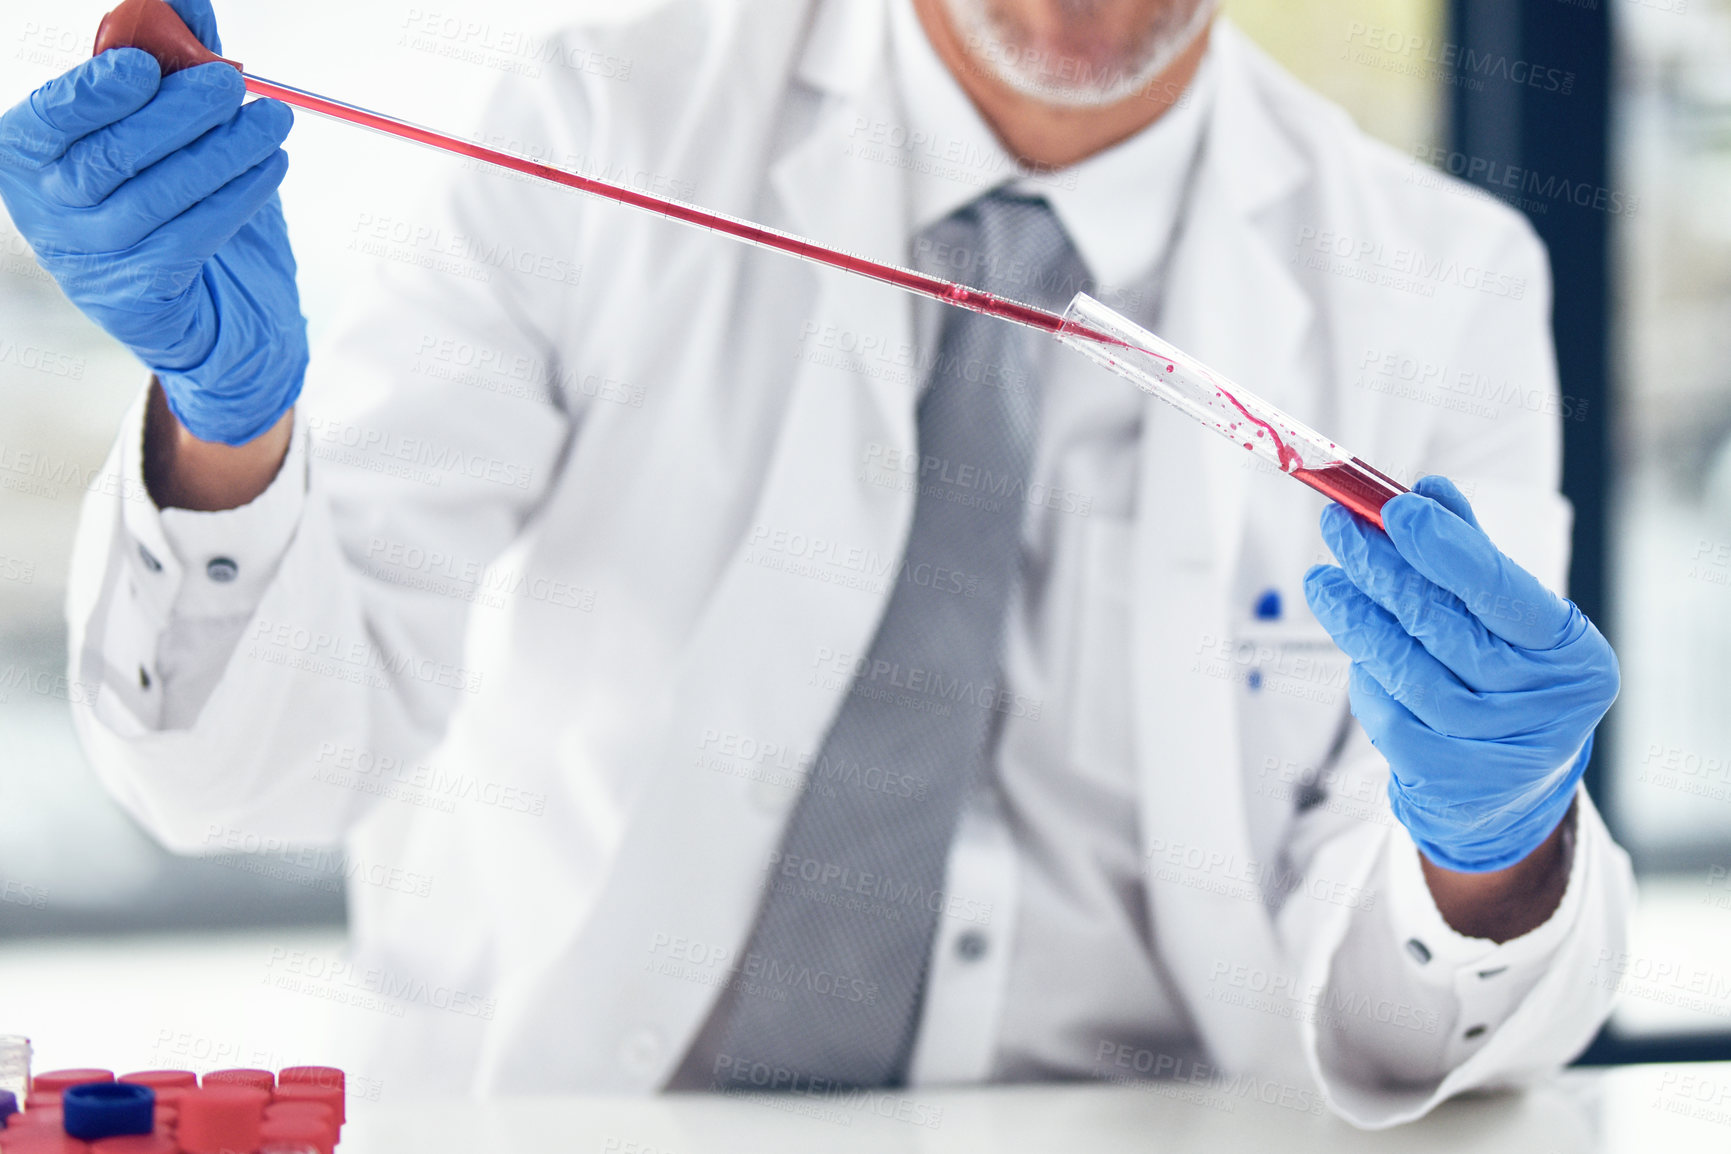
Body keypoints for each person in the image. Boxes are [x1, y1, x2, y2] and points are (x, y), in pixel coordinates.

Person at [0, 0, 1630, 1128]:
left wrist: (1492, 848)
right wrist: (230, 432)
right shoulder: (592, 123)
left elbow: (1446, 1002)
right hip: (590, 1119)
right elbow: (249, 767)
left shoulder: (1436, 279)